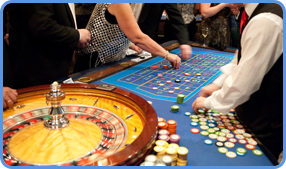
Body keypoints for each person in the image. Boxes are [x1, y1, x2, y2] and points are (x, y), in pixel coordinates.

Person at [192, 3, 282, 160]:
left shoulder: (266, 19)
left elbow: (246, 79)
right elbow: (241, 59)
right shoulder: (260, 11)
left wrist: (209, 103)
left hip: (265, 119)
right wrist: (218, 84)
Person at [74, 3, 182, 72]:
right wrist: (167, 55)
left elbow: (111, 27)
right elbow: (138, 37)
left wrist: (128, 44)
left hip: (103, 59)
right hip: (95, 61)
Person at [8, 3, 91, 89]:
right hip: (36, 70)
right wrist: (77, 36)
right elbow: (42, 25)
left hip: (54, 68)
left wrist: (75, 38)